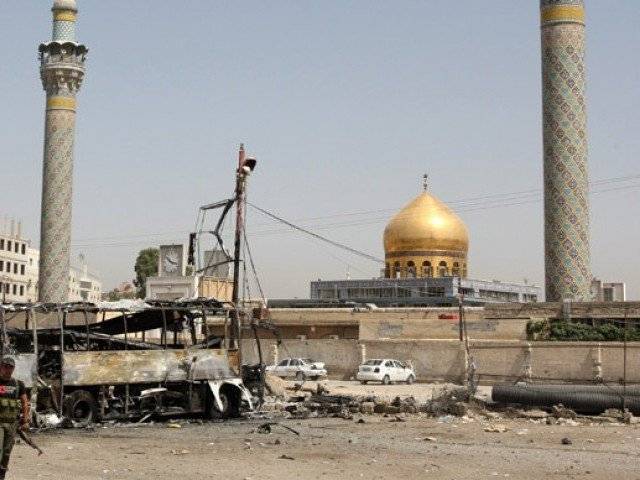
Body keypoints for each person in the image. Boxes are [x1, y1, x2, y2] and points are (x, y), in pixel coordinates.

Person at [0, 357, 29, 479]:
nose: (8, 369)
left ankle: (1, 476)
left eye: (10, 367)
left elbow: (24, 403)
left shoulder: (18, 384)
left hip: (12, 424)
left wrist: (25, 420)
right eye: (5, 366)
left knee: (6, 452)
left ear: (13, 368)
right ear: (1, 367)